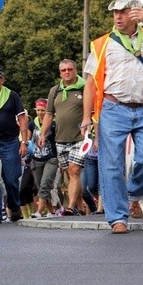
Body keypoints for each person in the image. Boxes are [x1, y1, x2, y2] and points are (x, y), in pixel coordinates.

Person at [81, 0, 143, 234]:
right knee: (111, 165)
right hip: (113, 110)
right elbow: (91, 84)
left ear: (135, 13)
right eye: (115, 12)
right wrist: (86, 118)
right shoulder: (102, 43)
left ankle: (133, 194)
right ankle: (117, 219)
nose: (118, 17)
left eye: (123, 12)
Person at [39, 59, 86, 216]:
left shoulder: (85, 87)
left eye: (70, 69)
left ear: (75, 70)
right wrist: (43, 133)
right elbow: (49, 114)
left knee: (74, 171)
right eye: (64, 70)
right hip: (60, 138)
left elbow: (94, 112)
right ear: (60, 73)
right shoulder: (55, 90)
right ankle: (80, 205)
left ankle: (71, 206)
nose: (67, 72)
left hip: (80, 137)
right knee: (69, 173)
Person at [0, 66, 28, 223]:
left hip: (9, 141)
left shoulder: (12, 95)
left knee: (11, 179)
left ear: (2, 79)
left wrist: (24, 141)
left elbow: (22, 118)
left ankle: (14, 206)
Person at [29, 98, 59, 218]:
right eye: (38, 110)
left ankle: (39, 211)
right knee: (39, 185)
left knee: (45, 184)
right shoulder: (32, 124)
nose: (40, 113)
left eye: (43, 110)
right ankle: (52, 211)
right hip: (36, 158)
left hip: (51, 158)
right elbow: (27, 139)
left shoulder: (53, 124)